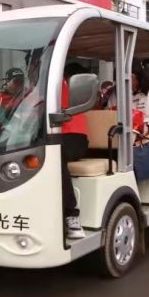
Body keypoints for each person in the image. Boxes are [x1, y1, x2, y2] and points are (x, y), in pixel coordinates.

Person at [60, 63, 90, 239]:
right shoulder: (35, 85)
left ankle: (71, 214)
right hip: (53, 134)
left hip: (74, 136)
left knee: (55, 155)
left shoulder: (62, 84)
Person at [107, 66, 149, 135]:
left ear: (135, 76)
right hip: (123, 136)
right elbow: (110, 114)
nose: (123, 81)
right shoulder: (116, 92)